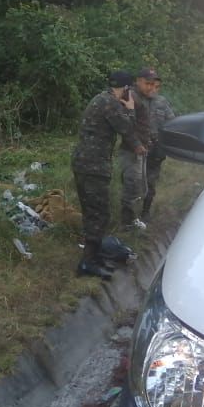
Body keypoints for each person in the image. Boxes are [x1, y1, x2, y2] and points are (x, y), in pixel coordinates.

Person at [71, 71, 146, 279]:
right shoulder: (111, 104)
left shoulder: (100, 99)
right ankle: (87, 264)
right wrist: (131, 109)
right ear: (125, 89)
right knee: (99, 214)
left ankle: (93, 257)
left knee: (91, 212)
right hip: (94, 166)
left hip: (82, 162)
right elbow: (127, 128)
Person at [117, 69, 156, 230]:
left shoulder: (144, 98)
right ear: (138, 81)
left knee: (138, 185)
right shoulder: (131, 96)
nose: (150, 87)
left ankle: (131, 218)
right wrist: (136, 145)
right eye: (147, 83)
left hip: (140, 148)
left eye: (152, 84)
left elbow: (142, 124)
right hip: (131, 149)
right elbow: (125, 124)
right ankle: (127, 222)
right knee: (132, 185)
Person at [139, 71, 176, 221]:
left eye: (157, 86)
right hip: (137, 149)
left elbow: (172, 122)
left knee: (151, 181)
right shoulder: (135, 100)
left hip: (156, 150)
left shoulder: (162, 102)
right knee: (133, 181)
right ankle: (129, 215)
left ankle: (145, 212)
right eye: (151, 84)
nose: (154, 88)